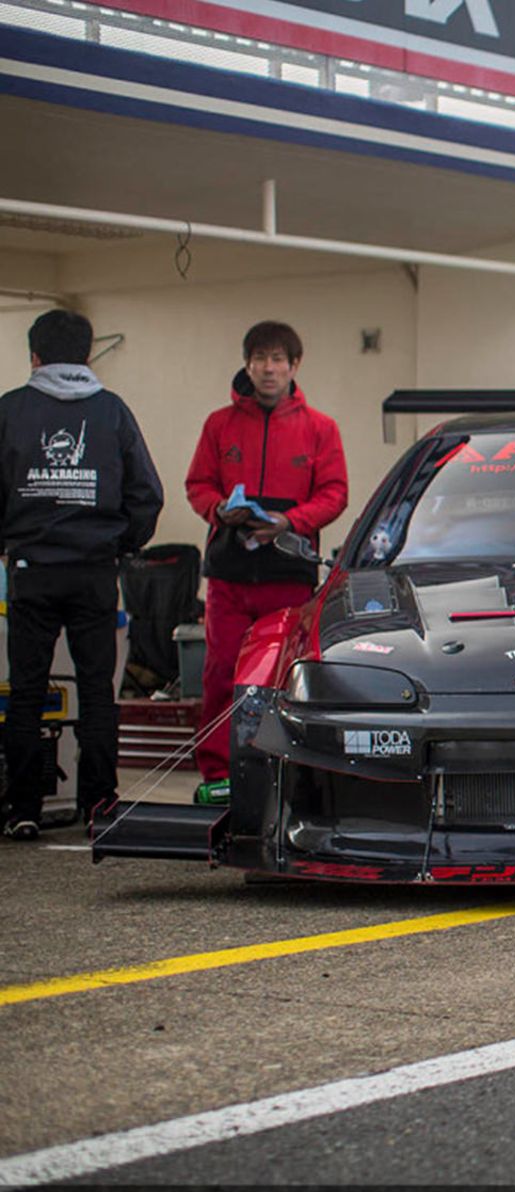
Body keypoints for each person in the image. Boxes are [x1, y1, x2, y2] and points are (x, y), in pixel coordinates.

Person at [0, 310, 163, 839]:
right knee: (98, 692)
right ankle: (99, 806)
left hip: (31, 571)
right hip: (95, 572)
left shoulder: (11, 411)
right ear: (89, 355)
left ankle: (23, 808)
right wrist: (120, 544)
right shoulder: (112, 412)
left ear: (35, 357)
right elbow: (147, 494)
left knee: (26, 691)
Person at [184, 321, 347, 791]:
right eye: (259, 359)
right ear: (247, 364)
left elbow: (335, 493)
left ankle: (281, 769)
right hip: (229, 575)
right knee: (220, 673)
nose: (268, 368)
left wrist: (290, 521)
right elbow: (198, 485)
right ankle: (218, 773)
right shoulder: (219, 424)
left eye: (278, 359)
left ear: (294, 366)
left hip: (288, 571)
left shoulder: (321, 429)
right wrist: (218, 509)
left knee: (280, 674)